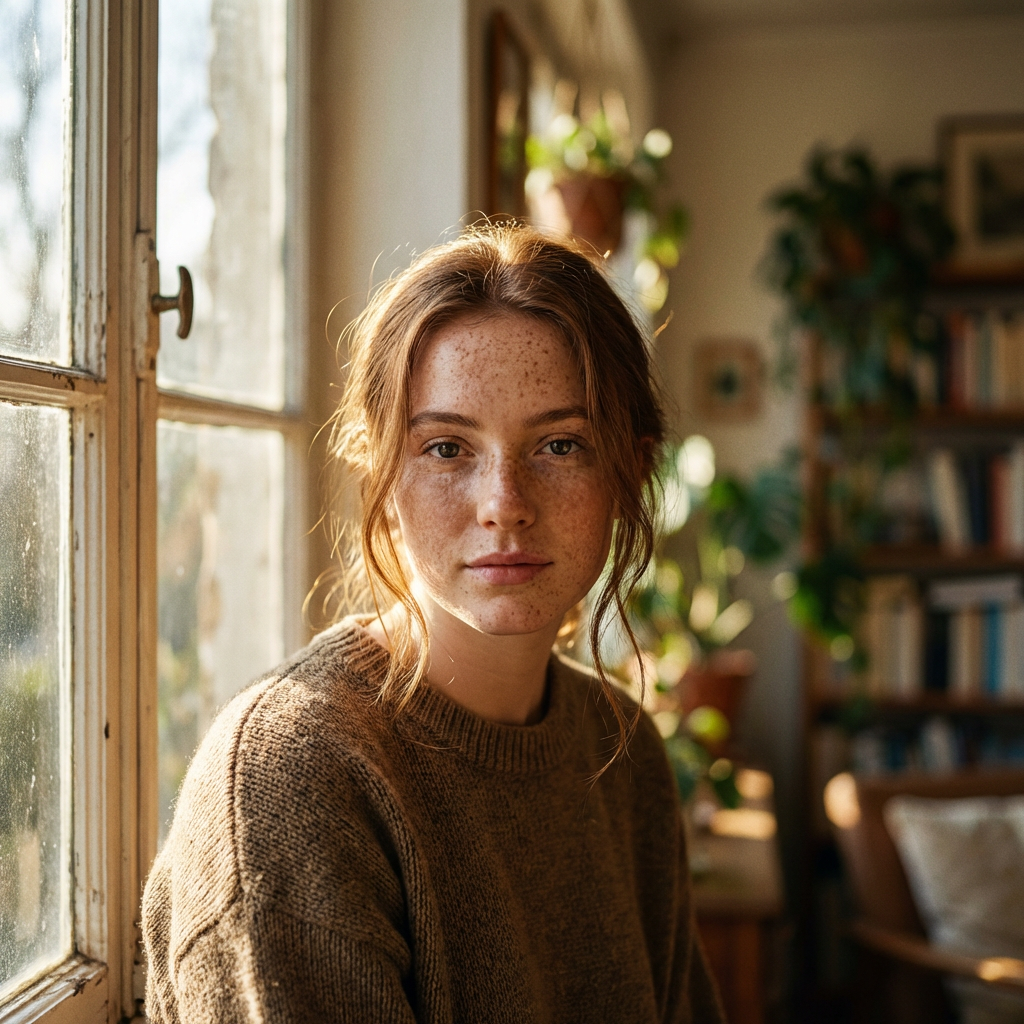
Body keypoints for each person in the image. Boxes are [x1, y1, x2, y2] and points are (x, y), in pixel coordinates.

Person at [142, 224, 725, 1024]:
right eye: (447, 449)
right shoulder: (295, 778)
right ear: (378, 475)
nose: (504, 505)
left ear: (630, 469)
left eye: (560, 444)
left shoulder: (622, 755)